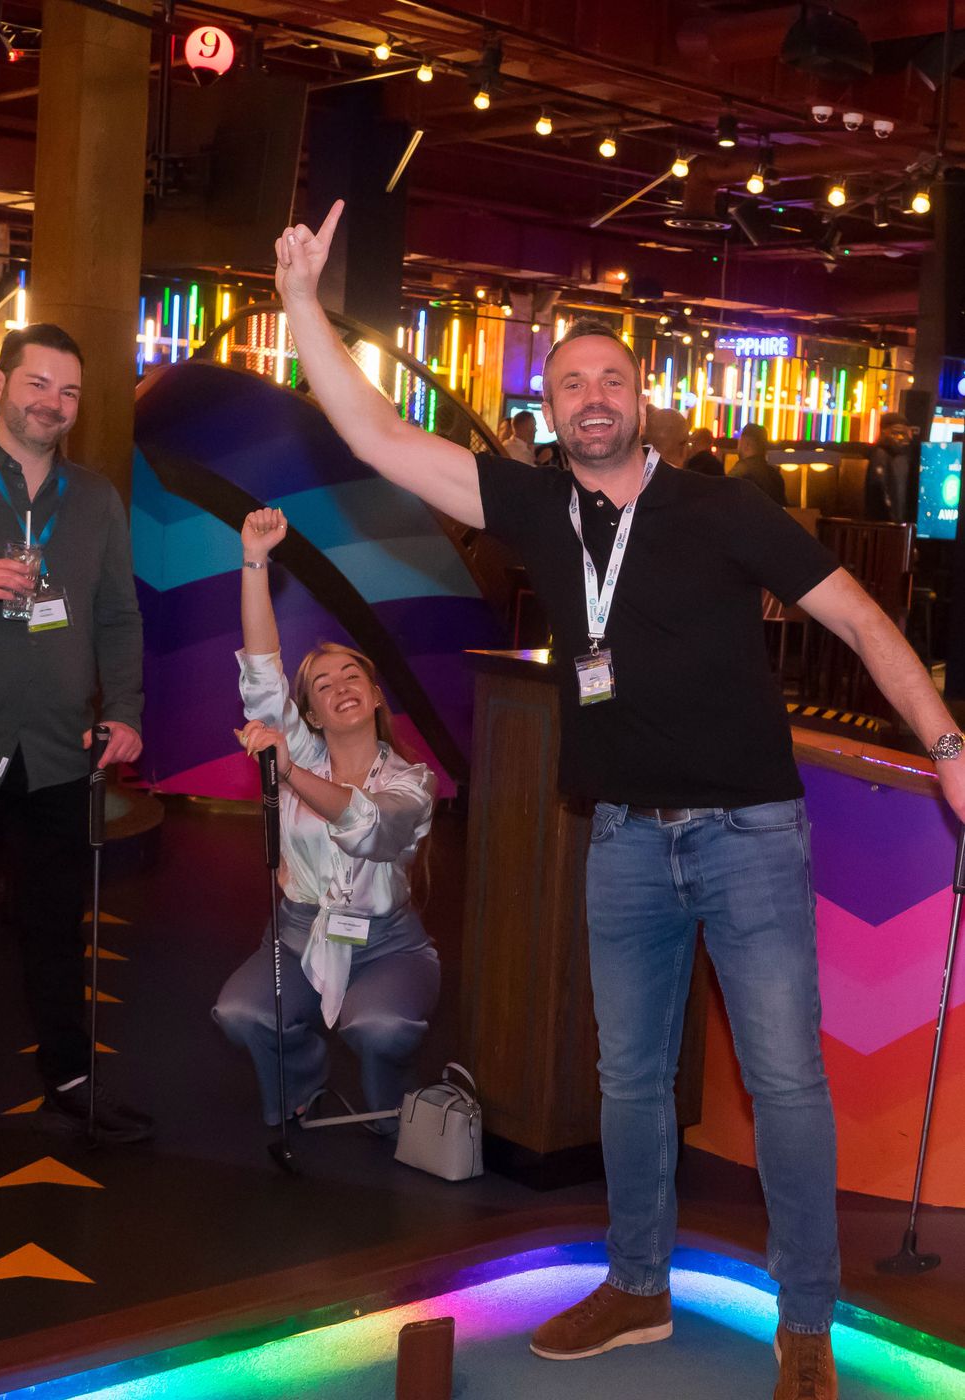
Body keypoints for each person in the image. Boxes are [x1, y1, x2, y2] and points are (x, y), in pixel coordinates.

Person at [270, 201, 965, 1400]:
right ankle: (637, 1283)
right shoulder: (537, 507)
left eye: (611, 379)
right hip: (625, 840)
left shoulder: (724, 510)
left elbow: (859, 617)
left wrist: (947, 741)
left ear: (641, 399)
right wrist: (298, 306)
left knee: (785, 1080)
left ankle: (806, 1320)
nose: (592, 397)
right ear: (549, 408)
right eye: (570, 382)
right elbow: (380, 435)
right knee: (629, 1078)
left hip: (749, 835)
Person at [0, 323, 151, 1146]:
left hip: (59, 749)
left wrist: (126, 710)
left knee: (57, 925)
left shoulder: (96, 500)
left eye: (69, 391)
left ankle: (70, 1079)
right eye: (38, 384)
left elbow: (118, 615)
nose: (53, 403)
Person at [213, 507, 439, 1131]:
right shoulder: (301, 752)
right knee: (239, 1013)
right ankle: (303, 1076)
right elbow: (263, 671)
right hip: (296, 934)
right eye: (321, 685)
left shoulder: (413, 782)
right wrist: (254, 560)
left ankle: (390, 1102)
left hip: (387, 946)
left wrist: (289, 775)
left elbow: (368, 826)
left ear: (375, 694)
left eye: (351, 675)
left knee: (381, 1027)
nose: (340, 687)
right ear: (309, 714)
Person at [865, 411, 913, 523]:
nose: (901, 438)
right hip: (889, 523)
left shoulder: (886, 454)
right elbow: (880, 490)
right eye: (897, 433)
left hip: (887, 523)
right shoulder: (886, 455)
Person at [729, 423, 787, 504]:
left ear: (747, 444)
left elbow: (726, 498)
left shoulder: (740, 471)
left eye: (739, 442)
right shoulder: (775, 475)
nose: (737, 447)